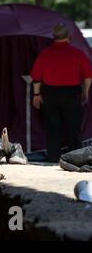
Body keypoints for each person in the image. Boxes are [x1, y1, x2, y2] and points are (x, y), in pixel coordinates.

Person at [31, 22, 92, 163]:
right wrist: (85, 92)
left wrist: (36, 95)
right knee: (73, 130)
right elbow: (88, 76)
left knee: (53, 129)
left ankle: (53, 160)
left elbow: (37, 77)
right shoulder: (77, 53)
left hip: (50, 94)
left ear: (53, 37)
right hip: (71, 94)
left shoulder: (45, 54)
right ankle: (75, 160)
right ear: (68, 36)